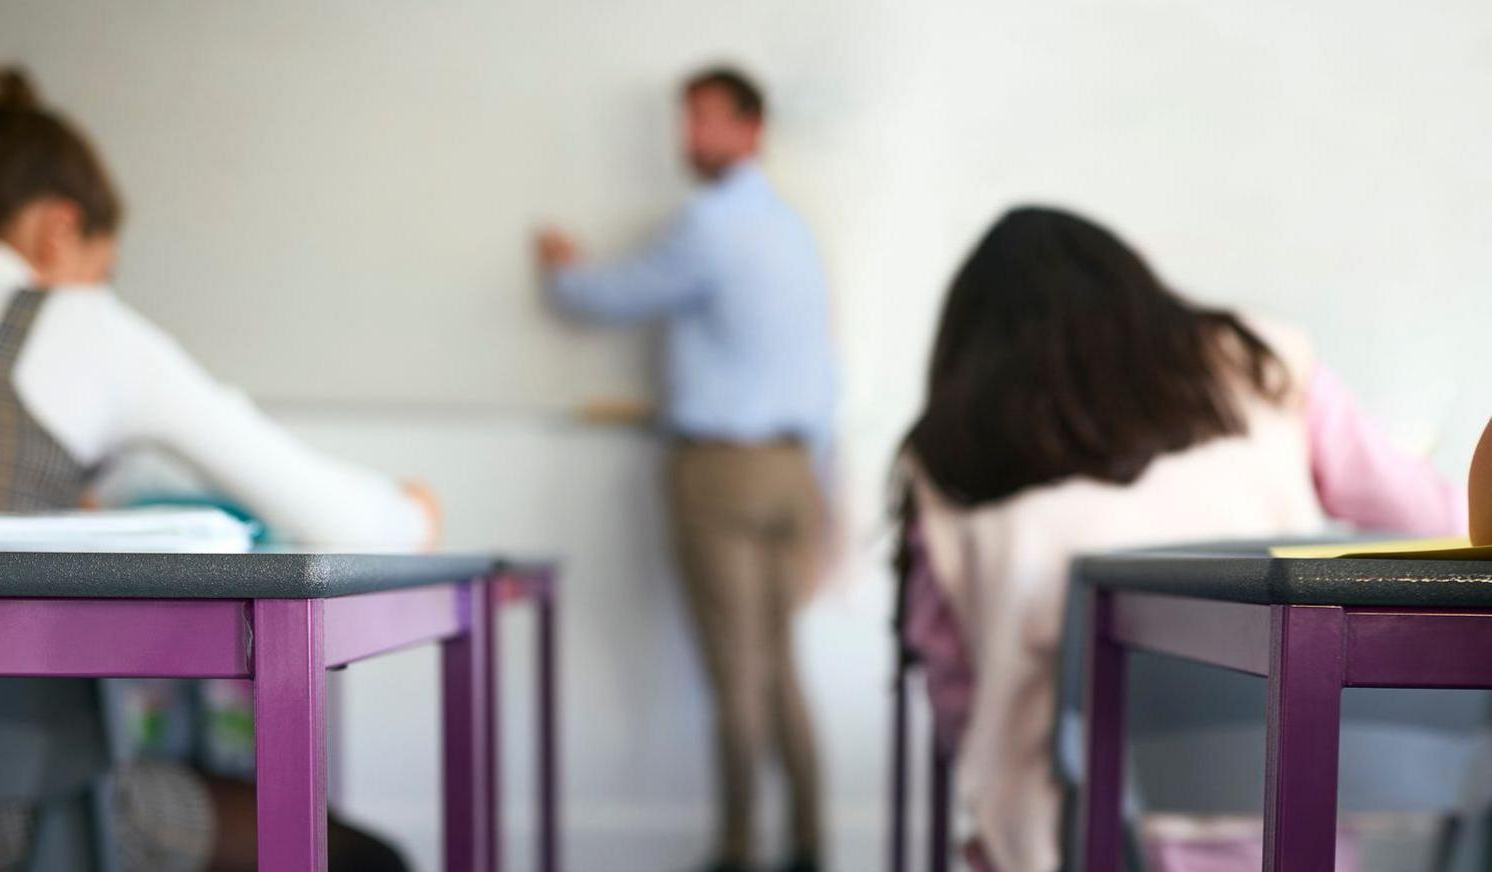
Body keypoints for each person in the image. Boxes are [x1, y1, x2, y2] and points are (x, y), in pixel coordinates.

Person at [0, 66, 436, 871]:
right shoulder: (69, 322)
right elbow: (347, 524)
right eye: (104, 268)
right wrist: (414, 512)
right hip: (8, 812)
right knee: (363, 856)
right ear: (56, 233)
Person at [894, 206, 1465, 871]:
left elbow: (952, 677)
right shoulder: (1260, 361)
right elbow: (1443, 521)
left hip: (1070, 825)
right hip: (1290, 800)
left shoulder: (945, 453)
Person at [536, 66, 835, 872]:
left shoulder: (707, 224)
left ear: (751, 129)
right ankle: (808, 843)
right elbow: (825, 375)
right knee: (780, 667)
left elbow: (609, 297)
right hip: (794, 469)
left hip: (722, 471)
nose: (689, 139)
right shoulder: (793, 230)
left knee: (736, 670)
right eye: (686, 120)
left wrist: (565, 270)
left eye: (705, 120)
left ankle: (738, 851)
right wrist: (827, 494)